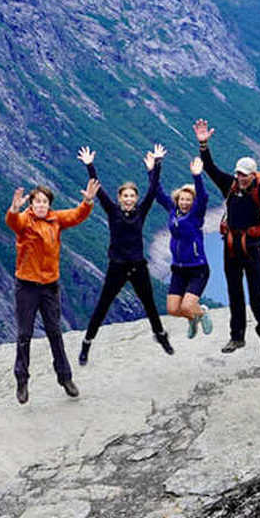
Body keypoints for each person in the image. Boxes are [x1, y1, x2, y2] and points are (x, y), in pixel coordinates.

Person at [193, 119, 260, 354]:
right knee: (234, 293)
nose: (241, 178)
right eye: (239, 174)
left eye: (245, 175)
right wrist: (203, 144)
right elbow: (209, 167)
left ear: (253, 175)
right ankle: (237, 337)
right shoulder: (229, 186)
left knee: (256, 293)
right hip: (230, 246)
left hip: (252, 248)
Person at [77, 144, 175, 365]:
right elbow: (98, 189)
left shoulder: (142, 210)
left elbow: (152, 190)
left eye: (132, 196)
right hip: (117, 266)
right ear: (119, 198)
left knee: (149, 304)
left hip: (138, 265)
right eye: (125, 196)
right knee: (103, 306)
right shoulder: (112, 211)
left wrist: (157, 164)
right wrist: (89, 166)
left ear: (135, 198)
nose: (129, 199)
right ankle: (87, 344)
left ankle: (161, 337)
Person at [5, 176, 99, 403]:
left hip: (49, 287)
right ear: (31, 204)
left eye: (44, 202)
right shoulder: (24, 221)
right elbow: (13, 222)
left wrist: (87, 202)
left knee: (55, 333)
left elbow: (76, 215)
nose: (40, 205)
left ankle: (65, 377)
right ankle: (22, 381)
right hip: (27, 287)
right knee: (24, 334)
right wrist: (13, 209)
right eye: (37, 202)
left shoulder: (55, 220)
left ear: (49, 205)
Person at [154, 154, 214, 339]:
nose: (185, 202)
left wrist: (197, 176)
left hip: (197, 269)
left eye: (189, 200)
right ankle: (192, 318)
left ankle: (201, 312)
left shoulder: (196, 215)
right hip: (178, 269)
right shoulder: (173, 212)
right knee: (173, 309)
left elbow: (203, 197)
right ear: (177, 200)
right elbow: (157, 192)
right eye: (182, 199)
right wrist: (155, 167)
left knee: (187, 306)